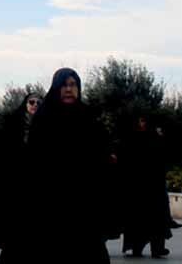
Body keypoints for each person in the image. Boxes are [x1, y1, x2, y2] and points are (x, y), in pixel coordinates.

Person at [20, 68, 112, 263]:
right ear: (56, 88)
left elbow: (101, 156)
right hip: (49, 204)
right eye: (64, 85)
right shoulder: (43, 119)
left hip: (84, 205)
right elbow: (33, 161)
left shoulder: (89, 118)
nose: (69, 89)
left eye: (73, 85)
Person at [0, 92, 42, 261]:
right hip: (13, 190)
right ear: (25, 104)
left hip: (37, 191)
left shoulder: (47, 126)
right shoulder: (12, 125)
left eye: (39, 103)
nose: (35, 105)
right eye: (32, 102)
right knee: (13, 242)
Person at [120, 115, 171, 258]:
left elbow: (163, 159)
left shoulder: (156, 138)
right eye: (140, 121)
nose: (142, 124)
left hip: (154, 187)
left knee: (156, 219)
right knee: (138, 219)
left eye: (144, 121)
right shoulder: (133, 138)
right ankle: (137, 247)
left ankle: (157, 248)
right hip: (137, 187)